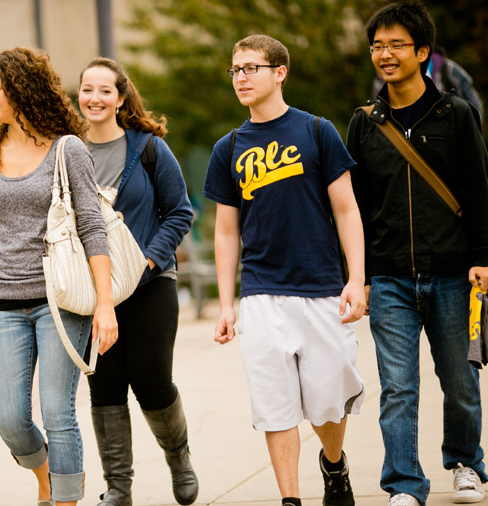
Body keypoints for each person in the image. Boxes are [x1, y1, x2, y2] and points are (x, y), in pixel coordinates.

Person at [203, 35, 366, 506]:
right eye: (235, 69)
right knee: (275, 408)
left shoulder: (317, 131)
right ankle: (290, 499)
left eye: (251, 68)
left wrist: (355, 279)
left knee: (327, 403)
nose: (241, 78)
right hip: (261, 294)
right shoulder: (228, 147)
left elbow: (346, 210)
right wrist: (227, 303)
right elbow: (226, 232)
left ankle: (333, 463)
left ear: (280, 72)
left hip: (321, 290)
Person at [346, 3, 488, 505]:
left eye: (396, 45)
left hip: (452, 273)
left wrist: (482, 257)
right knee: (398, 389)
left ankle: (467, 463)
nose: (384, 55)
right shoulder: (365, 123)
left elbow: (478, 192)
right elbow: (354, 209)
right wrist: (357, 276)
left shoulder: (456, 114)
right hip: (388, 279)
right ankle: (404, 484)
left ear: (423, 52)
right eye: (377, 46)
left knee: (460, 383)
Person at [0, 47, 118, 506]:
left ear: (19, 89)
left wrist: (105, 304)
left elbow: (92, 226)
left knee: (57, 411)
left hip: (62, 301)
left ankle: (66, 501)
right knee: (9, 417)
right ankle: (47, 476)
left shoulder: (67, 148)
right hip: (4, 304)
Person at [77, 57, 197, 506]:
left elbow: (180, 211)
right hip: (93, 290)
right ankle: (119, 487)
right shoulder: (67, 151)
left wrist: (147, 261)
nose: (95, 98)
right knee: (104, 386)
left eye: (105, 90)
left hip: (150, 284)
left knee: (151, 380)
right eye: (87, 89)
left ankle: (178, 458)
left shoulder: (147, 147)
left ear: (121, 98)